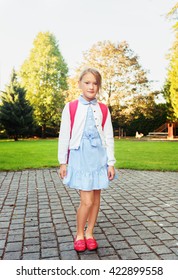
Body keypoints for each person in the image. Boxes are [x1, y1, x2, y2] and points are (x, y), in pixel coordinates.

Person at [58, 67, 116, 252]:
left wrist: (111, 163)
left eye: (95, 83)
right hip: (80, 156)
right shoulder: (71, 107)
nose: (91, 86)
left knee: (97, 200)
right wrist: (63, 161)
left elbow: (109, 137)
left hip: (99, 157)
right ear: (80, 84)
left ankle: (90, 233)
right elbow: (64, 136)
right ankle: (79, 234)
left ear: (98, 86)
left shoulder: (103, 109)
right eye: (87, 82)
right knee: (87, 201)